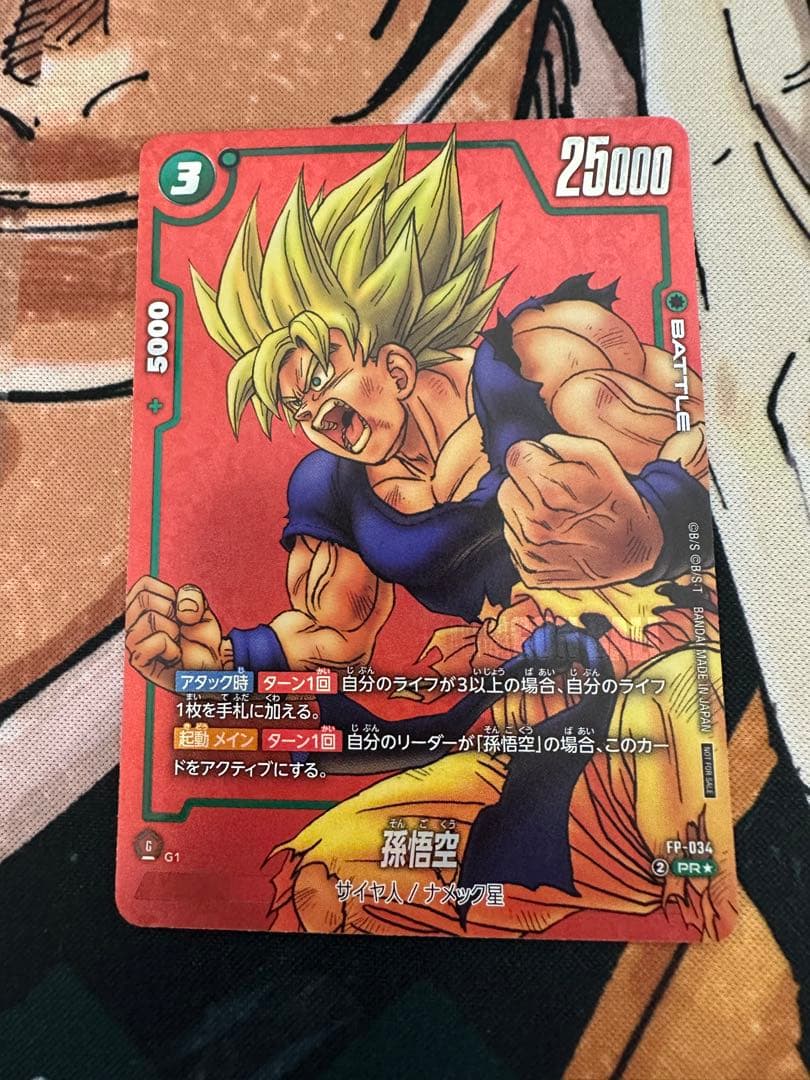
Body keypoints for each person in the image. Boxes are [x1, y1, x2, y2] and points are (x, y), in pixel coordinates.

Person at [126, 134, 733, 937]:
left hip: (661, 679)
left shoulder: (541, 364)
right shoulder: (333, 488)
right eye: (297, 406)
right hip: (515, 722)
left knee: (682, 831)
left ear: (393, 359)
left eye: (323, 378)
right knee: (320, 880)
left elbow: (711, 443)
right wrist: (228, 662)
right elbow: (331, 636)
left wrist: (647, 526)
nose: (318, 417)